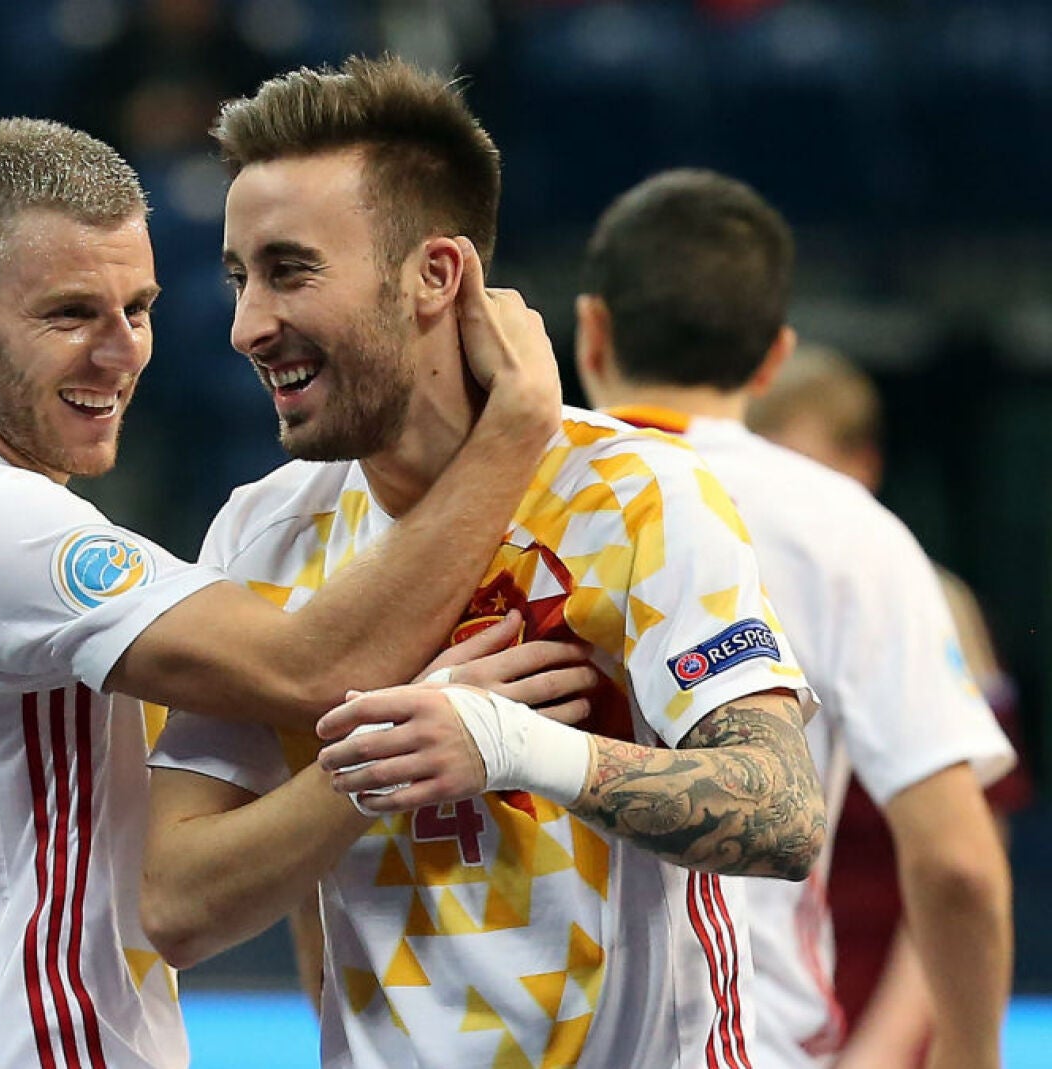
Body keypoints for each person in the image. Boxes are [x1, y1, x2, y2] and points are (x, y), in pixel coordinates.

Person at [0, 115, 586, 1067]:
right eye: (70, 314)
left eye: (137, 308)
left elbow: (176, 895)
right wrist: (516, 429)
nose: (122, 352)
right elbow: (315, 667)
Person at [142, 58, 825, 1069]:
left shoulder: (636, 494)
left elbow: (781, 810)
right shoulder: (258, 534)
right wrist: (368, 766)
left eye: (289, 271)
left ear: (434, 276)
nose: (246, 326)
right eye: (239, 277)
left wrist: (516, 747)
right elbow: (174, 902)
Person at [572, 170, 1016, 1069]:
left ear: (591, 329)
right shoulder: (849, 531)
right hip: (745, 1040)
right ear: (774, 357)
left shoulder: (491, 503)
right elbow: (961, 865)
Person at [745, 344, 1030, 1066]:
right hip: (751, 1009)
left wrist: (880, 1050)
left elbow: (966, 859)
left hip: (883, 998)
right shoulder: (710, 600)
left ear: (863, 464)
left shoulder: (927, 601)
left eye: (798, 471)